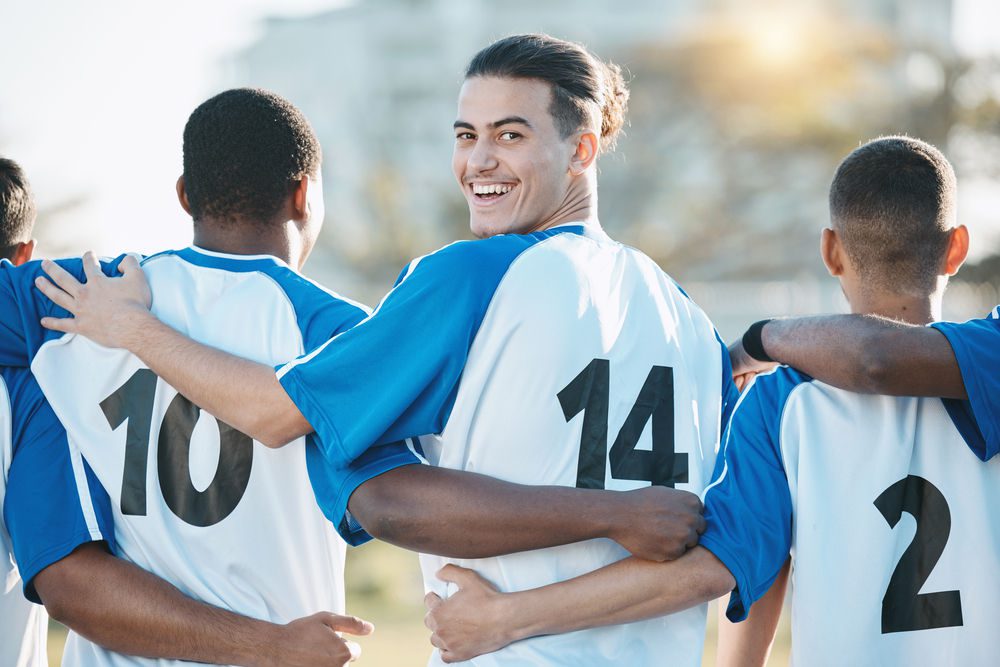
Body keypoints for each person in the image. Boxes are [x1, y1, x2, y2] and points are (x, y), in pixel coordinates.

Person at [36, 35, 737, 666]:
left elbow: (322, 449)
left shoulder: (471, 276)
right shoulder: (690, 319)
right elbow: (716, 548)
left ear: (582, 148)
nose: (479, 159)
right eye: (466, 134)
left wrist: (131, 328)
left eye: (511, 134)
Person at [422, 136, 1000, 667]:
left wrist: (506, 616)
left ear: (831, 251)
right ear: (956, 250)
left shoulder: (781, 403)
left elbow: (724, 568)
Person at [0, 156, 370, 667]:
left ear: (184, 195)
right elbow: (382, 502)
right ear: (303, 194)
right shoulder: (345, 333)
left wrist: (130, 326)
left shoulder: (85, 301)